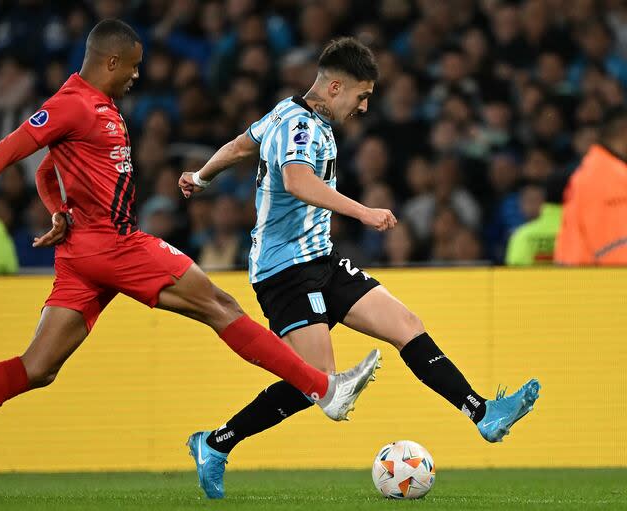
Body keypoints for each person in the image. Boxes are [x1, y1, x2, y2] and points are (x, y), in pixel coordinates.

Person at [0, 20, 381, 496]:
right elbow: (6, 151)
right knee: (220, 306)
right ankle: (325, 390)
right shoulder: (73, 105)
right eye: (132, 66)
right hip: (115, 244)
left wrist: (59, 211)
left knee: (38, 366)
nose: (137, 76)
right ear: (111, 61)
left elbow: (46, 171)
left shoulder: (95, 107)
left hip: (83, 253)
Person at [179, 37, 541, 499]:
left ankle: (482, 412)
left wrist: (201, 175)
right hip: (284, 271)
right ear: (334, 87)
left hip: (322, 259)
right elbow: (297, 179)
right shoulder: (299, 127)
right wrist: (364, 212)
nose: (365, 107)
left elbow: (238, 147)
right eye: (362, 96)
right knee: (319, 382)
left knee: (406, 325)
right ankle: (215, 443)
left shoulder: (283, 115)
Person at [555, 108, 627, 265]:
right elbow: (617, 250)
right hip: (601, 282)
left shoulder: (596, 171)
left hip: (581, 278)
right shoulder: (609, 178)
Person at [505, 172, 569, 266]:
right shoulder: (576, 232)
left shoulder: (522, 235)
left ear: (544, 200)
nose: (531, 206)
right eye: (528, 200)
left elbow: (513, 274)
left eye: (535, 200)